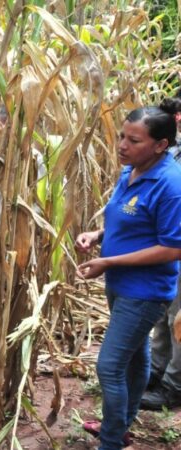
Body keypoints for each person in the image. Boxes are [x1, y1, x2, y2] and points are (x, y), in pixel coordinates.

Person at [76, 97, 181, 449]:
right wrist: (98, 235)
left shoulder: (171, 184)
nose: (122, 146)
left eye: (134, 141)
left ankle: (111, 439)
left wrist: (109, 262)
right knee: (136, 357)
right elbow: (128, 217)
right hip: (120, 283)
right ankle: (122, 422)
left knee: (109, 366)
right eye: (122, 136)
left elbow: (172, 247)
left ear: (161, 145)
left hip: (146, 289)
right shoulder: (131, 171)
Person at [141, 89, 181, 411]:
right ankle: (156, 372)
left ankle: (173, 387)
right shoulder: (174, 151)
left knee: (178, 319)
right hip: (171, 246)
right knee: (166, 315)